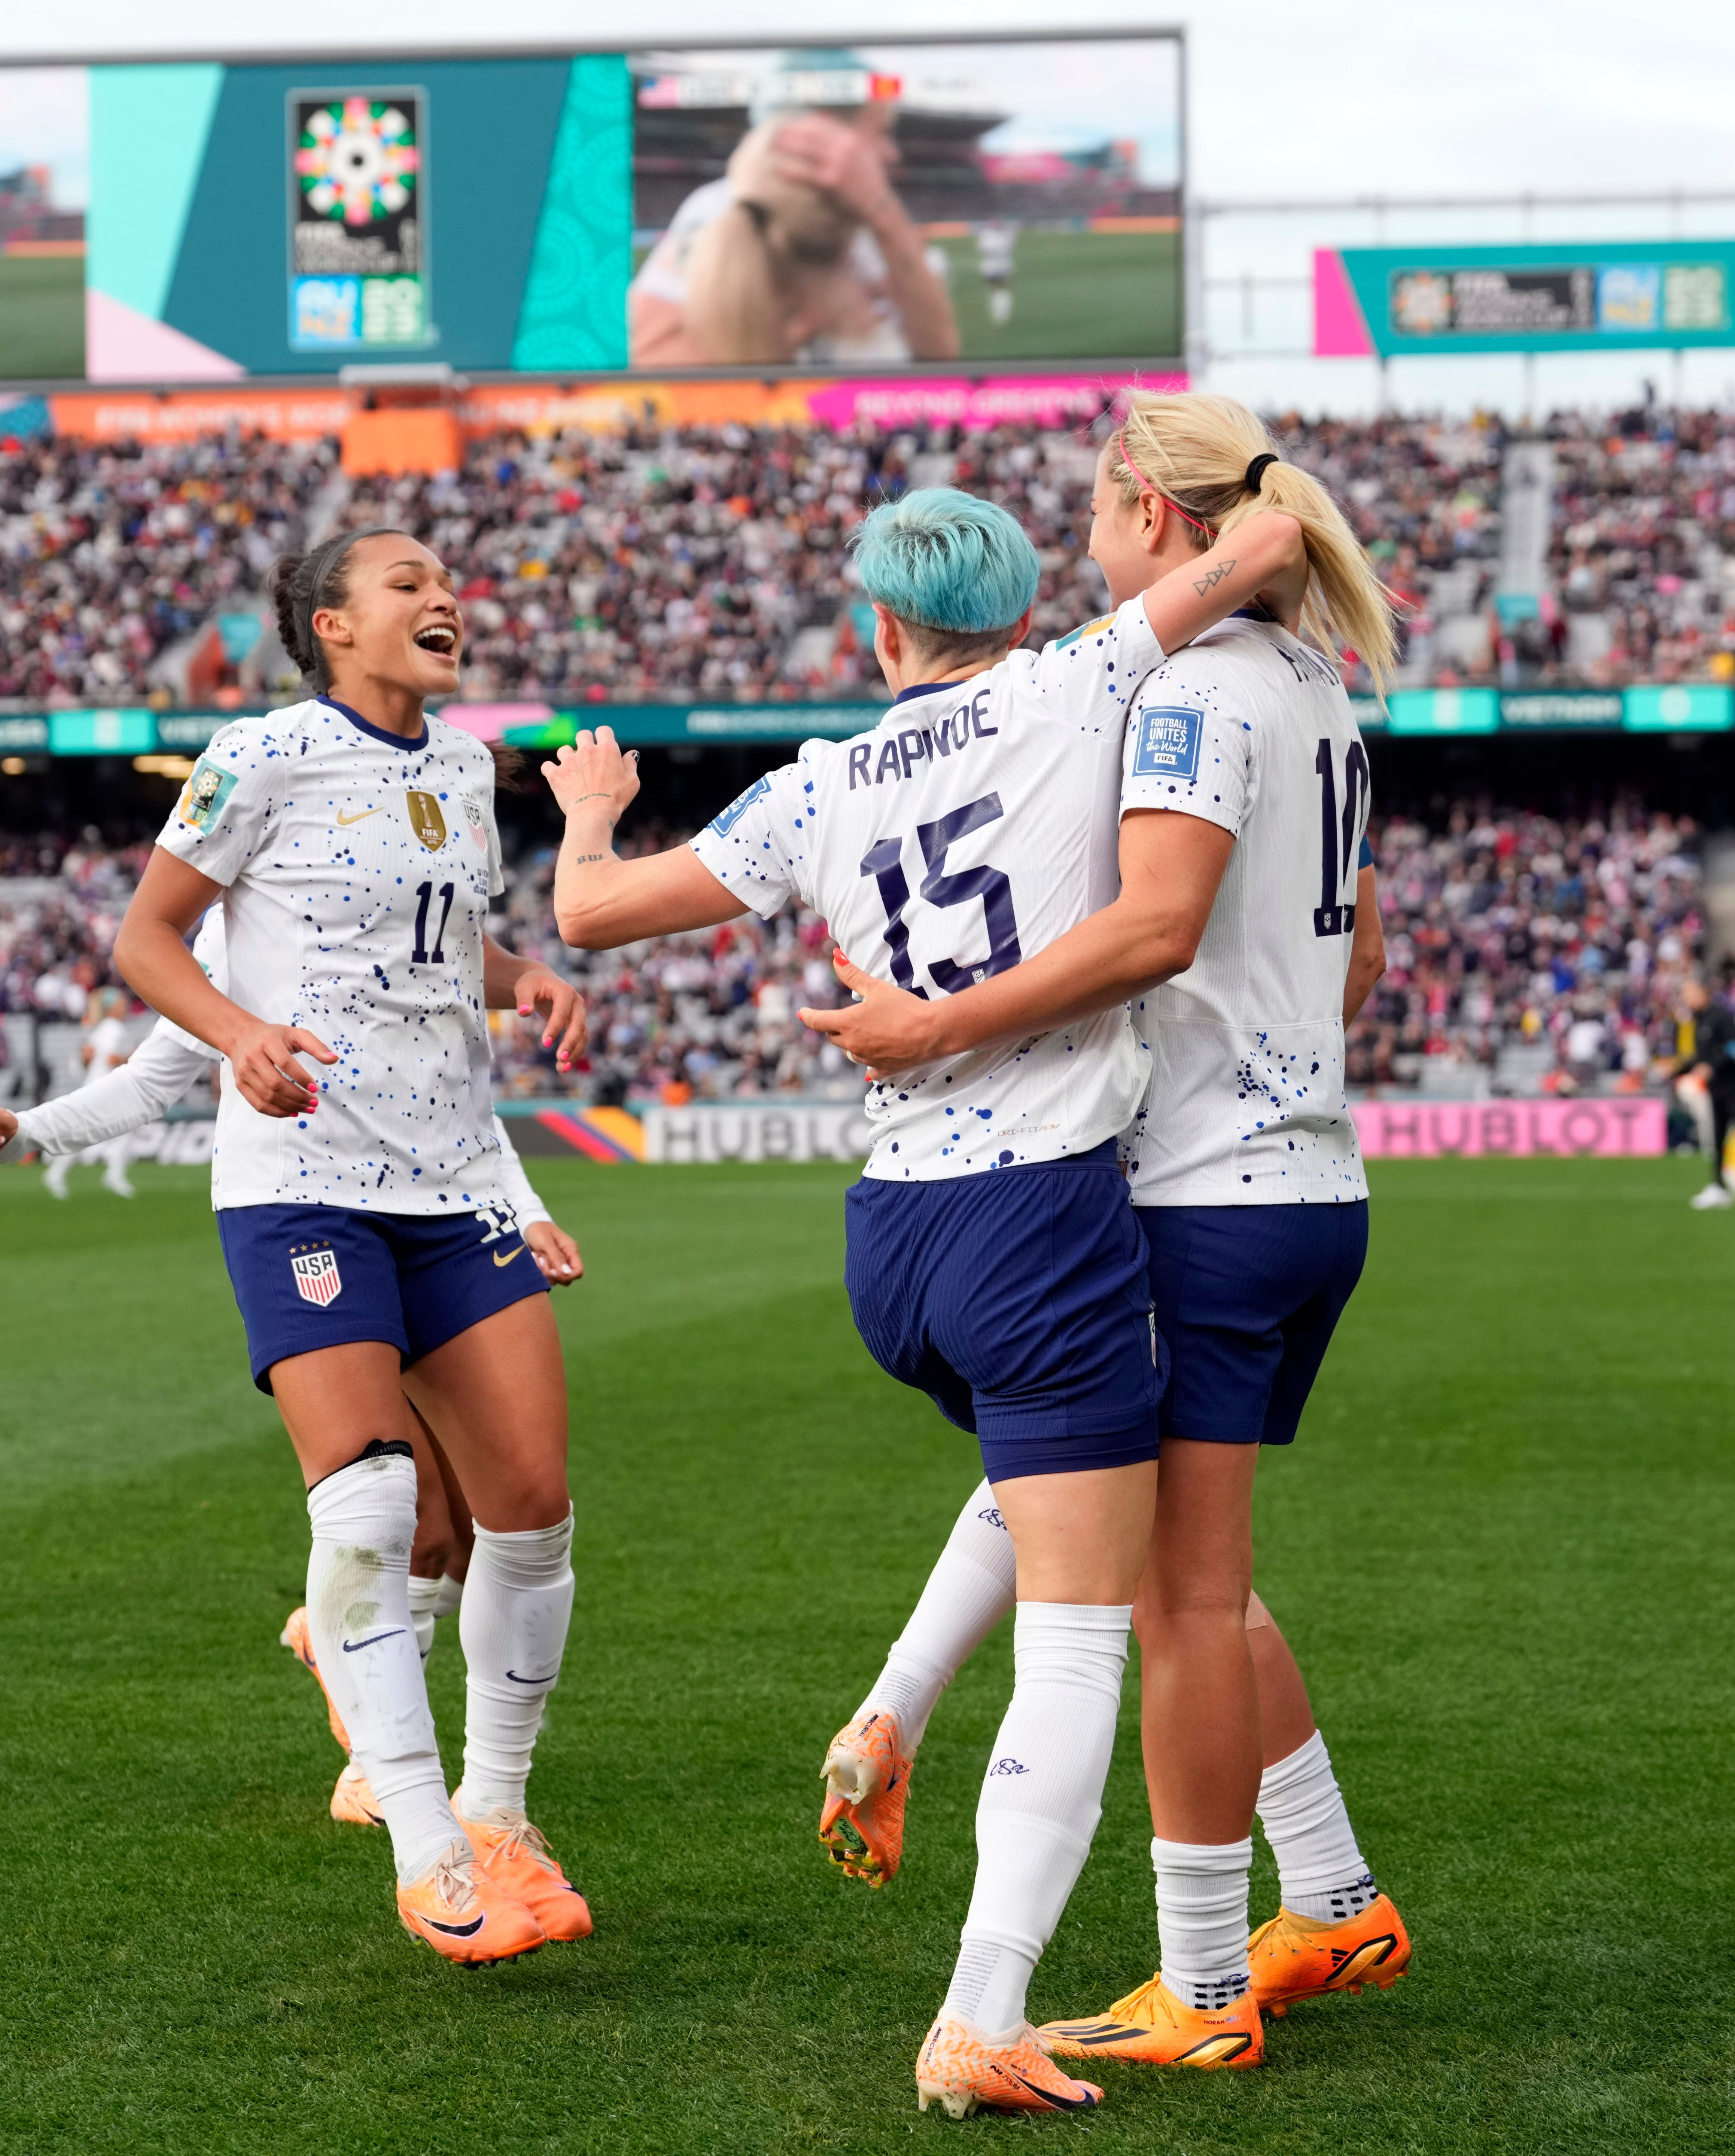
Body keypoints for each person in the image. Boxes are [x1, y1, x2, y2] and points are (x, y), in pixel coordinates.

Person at [539, 482, 1312, 2114]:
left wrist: (595, 814)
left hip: (888, 1236)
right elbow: (1256, 553)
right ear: (1019, 611)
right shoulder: (1073, 681)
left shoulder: (811, 786)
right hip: (1035, 1213)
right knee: (1088, 1634)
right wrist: (1217, 511)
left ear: (873, 630)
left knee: (1058, 1500)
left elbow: (590, 917)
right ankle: (979, 2010)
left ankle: (894, 1708)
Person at [801, 393, 1406, 2073]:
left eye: (1095, 491)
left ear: (1153, 508)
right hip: (1302, 1178)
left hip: (1196, 1191)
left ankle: (1203, 1988)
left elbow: (1148, 927)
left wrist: (937, 1026)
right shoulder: (1314, 692)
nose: (1081, 516)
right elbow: (1355, 965)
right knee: (1157, 1555)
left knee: (1176, 1601)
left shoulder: (1189, 692)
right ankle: (1334, 1895)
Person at [110, 525, 593, 1969]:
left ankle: (499, 1811)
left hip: (450, 1184)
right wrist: (241, 1035)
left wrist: (525, 977)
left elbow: (446, 954)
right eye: (405, 580)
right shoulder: (258, 755)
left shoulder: (462, 768)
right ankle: (430, 1847)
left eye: (447, 577)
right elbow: (149, 939)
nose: (442, 593)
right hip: (303, 1178)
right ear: (330, 624)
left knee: (532, 1500)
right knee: (378, 1501)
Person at [0, 902, 584, 1832]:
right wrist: (29, 1125)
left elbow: (448, 1092)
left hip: (444, 1222)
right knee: (416, 1520)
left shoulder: (403, 894)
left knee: (478, 1528)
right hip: (324, 1233)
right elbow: (157, 1077)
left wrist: (525, 1205)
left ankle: (365, 1683)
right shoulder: (238, 930)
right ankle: (383, 1760)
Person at [630, 49, 959, 367]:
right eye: (881, 132)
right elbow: (645, 359)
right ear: (823, 131)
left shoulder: (870, 220)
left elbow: (940, 353)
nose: (892, 153)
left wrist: (885, 217)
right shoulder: (720, 209)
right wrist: (796, 333)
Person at [43, 984, 136, 1199]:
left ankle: (61, 1173)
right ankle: (111, 1175)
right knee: (97, 1131)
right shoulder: (114, 1028)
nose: (126, 1006)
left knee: (91, 1132)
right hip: (105, 1088)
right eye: (121, 1003)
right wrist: (131, 1057)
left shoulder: (101, 1028)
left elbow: (80, 1062)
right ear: (112, 1007)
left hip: (99, 1086)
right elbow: (111, 1058)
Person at [1680, 976, 1735, 1209]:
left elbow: (1732, 1046)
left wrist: (1712, 1066)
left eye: (1689, 992)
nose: (1686, 998)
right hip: (1717, 1090)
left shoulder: (1721, 1017)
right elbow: (1702, 1056)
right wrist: (1676, 1069)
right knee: (1718, 1137)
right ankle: (1718, 1186)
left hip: (1732, 1086)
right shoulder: (1699, 1020)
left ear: (1703, 993)